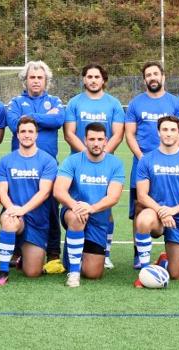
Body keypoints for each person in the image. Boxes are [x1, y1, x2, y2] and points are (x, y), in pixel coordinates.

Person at [5, 61, 66, 272]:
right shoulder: (15, 102)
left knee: (49, 208)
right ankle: (16, 250)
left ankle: (53, 253)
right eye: (32, 77)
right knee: (13, 204)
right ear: (26, 80)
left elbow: (59, 119)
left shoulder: (54, 101)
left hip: (47, 166)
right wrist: (43, 120)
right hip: (19, 166)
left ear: (46, 80)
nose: (36, 81)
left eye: (40, 77)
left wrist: (29, 119)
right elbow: (14, 124)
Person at [125, 61, 179, 268]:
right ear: (144, 80)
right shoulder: (135, 103)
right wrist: (143, 158)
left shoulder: (175, 102)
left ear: (163, 77)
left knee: (173, 203)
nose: (152, 77)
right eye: (148, 75)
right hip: (142, 164)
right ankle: (139, 254)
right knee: (140, 208)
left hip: (169, 166)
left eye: (155, 74)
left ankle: (177, 249)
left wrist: (169, 156)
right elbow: (130, 134)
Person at [133, 116, 179, 284]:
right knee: (143, 219)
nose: (169, 133)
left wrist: (173, 211)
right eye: (165, 129)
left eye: (173, 130)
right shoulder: (147, 160)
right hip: (157, 215)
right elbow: (142, 195)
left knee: (177, 275)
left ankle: (164, 261)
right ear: (158, 132)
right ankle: (144, 271)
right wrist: (162, 211)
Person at [53, 122, 125, 288]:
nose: (96, 143)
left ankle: (73, 252)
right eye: (92, 139)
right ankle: (73, 273)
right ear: (85, 140)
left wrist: (91, 208)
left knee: (93, 274)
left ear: (106, 141)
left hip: (98, 218)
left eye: (100, 139)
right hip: (73, 212)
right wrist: (76, 205)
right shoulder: (72, 161)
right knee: (78, 218)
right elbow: (59, 191)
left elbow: (113, 197)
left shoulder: (115, 164)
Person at [0, 116, 58, 285]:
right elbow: (2, 191)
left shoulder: (48, 161)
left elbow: (44, 193)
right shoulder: (6, 161)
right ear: (17, 135)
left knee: (33, 272)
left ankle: (23, 257)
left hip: (37, 219)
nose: (26, 135)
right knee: (8, 219)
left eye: (30, 131)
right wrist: (12, 209)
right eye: (23, 131)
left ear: (36, 135)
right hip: (16, 214)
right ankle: (3, 271)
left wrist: (23, 210)